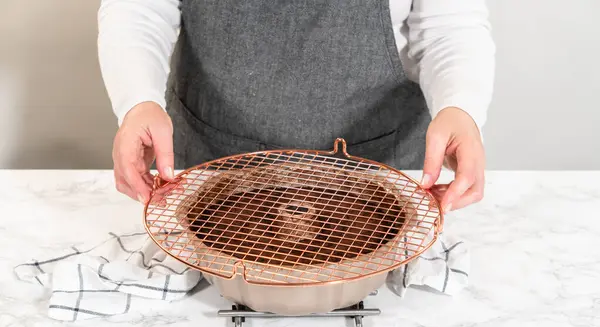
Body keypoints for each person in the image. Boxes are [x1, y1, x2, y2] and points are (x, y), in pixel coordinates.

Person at [97, 0, 494, 213]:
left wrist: (461, 106)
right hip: (211, 179)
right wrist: (137, 101)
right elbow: (140, 9)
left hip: (380, 184)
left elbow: (449, 26)